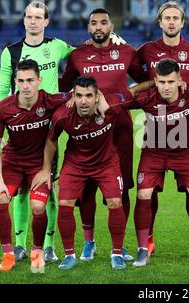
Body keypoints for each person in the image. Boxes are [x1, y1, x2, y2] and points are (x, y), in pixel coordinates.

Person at [0, 1, 126, 264]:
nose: (33, 21)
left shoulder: (57, 46)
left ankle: (49, 245)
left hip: (54, 118)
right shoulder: (11, 52)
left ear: (46, 22)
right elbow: (1, 90)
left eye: (38, 17)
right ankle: (20, 244)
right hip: (23, 123)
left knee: (49, 185)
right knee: (22, 189)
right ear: (24, 21)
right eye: (29, 17)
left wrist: (112, 40)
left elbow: (84, 51)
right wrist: (5, 121)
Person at [32, 76, 149, 270]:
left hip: (106, 163)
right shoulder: (62, 115)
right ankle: (70, 255)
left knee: (115, 202)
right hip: (75, 165)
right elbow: (51, 141)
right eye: (79, 96)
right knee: (65, 205)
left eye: (88, 96)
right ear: (73, 96)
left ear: (97, 96)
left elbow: (136, 91)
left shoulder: (111, 106)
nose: (83, 101)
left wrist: (155, 80)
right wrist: (46, 169)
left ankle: (117, 253)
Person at [59, 8, 148, 263]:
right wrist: (69, 101)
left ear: (111, 26)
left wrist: (125, 98)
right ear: (88, 28)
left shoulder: (127, 51)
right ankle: (89, 242)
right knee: (86, 188)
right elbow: (65, 87)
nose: (99, 27)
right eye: (94, 23)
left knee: (123, 189)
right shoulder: (77, 55)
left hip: (119, 129)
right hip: (87, 133)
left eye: (104, 23)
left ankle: (118, 247)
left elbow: (147, 79)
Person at [127, 59, 189, 267]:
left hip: (185, 153)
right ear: (155, 81)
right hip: (153, 153)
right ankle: (143, 248)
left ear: (179, 80)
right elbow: (121, 99)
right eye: (161, 82)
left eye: (171, 82)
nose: (166, 87)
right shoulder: (147, 97)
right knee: (143, 194)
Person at [136, 1, 189, 257]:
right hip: (154, 135)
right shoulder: (145, 51)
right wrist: (156, 86)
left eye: (176, 18)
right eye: (166, 18)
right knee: (147, 191)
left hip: (185, 137)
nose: (171, 22)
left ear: (182, 22)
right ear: (159, 22)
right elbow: (139, 82)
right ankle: (147, 240)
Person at [0, 59, 72, 272]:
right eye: (21, 81)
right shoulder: (3, 108)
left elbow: (79, 94)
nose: (26, 85)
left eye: (30, 80)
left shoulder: (50, 101)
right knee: (0, 198)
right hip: (13, 162)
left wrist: (98, 98)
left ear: (39, 81)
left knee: (38, 206)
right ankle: (8, 254)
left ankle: (37, 252)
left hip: (39, 165)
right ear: (15, 81)